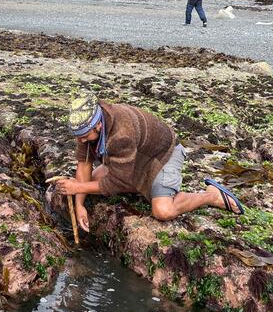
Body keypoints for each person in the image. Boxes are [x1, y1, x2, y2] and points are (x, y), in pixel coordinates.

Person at [56, 93, 244, 231]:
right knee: (93, 181)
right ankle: (140, 184)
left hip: (162, 156)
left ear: (98, 125)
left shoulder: (122, 133)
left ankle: (210, 195)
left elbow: (115, 183)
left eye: (84, 136)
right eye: (78, 136)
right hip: (134, 158)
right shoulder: (86, 127)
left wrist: (78, 188)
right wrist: (80, 205)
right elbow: (84, 164)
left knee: (163, 211)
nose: (81, 140)